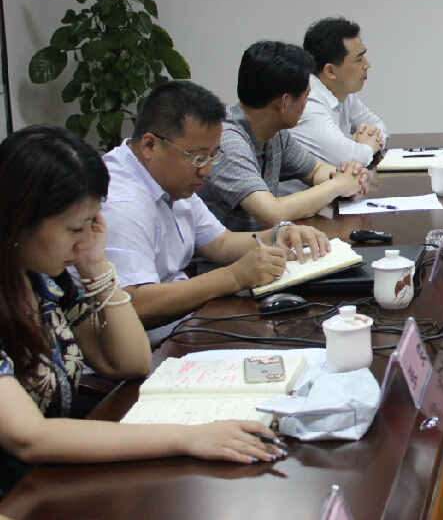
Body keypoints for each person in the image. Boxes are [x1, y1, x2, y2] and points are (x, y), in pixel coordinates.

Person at [0, 126, 280, 497]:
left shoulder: (43, 280)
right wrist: (187, 437)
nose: (85, 241)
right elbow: (28, 437)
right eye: (74, 229)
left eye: (91, 224)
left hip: (52, 476)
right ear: (18, 219)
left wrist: (96, 267)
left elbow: (130, 362)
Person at [102, 81, 330, 341]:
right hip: (150, 348)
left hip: (185, 321)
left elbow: (220, 243)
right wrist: (234, 277)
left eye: (213, 156)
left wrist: (279, 235)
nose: (206, 170)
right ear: (149, 146)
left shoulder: (170, 179)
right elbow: (133, 304)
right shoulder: (122, 203)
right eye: (198, 158)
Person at [199, 41, 370, 232]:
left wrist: (348, 176)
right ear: (284, 102)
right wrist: (338, 185)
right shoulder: (227, 142)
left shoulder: (274, 134)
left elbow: (315, 171)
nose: (307, 103)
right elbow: (272, 214)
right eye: (306, 96)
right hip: (232, 250)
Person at [292, 17, 388, 168]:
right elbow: (350, 158)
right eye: (359, 60)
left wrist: (367, 139)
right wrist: (365, 145)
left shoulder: (344, 93)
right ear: (330, 71)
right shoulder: (308, 103)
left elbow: (379, 125)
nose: (367, 65)